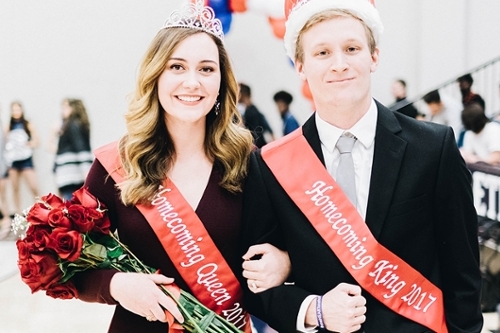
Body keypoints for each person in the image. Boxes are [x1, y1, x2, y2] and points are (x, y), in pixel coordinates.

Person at [240, 0, 483, 332]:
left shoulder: (433, 148)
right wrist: (315, 310)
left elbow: (463, 273)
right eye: (322, 53)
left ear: (374, 57)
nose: (339, 64)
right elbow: (255, 285)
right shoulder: (269, 165)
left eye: (351, 48)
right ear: (299, 66)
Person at [72, 1, 290, 332]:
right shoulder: (117, 164)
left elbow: (281, 248)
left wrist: (285, 263)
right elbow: (69, 262)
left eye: (206, 69)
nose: (192, 82)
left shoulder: (247, 161)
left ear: (221, 82)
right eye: (176, 67)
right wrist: (117, 286)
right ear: (155, 76)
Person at [49, 98, 93, 200]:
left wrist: (87, 172)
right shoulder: (71, 125)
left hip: (71, 175)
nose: (62, 110)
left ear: (74, 108)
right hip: (71, 174)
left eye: (65, 107)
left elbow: (81, 148)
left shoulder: (73, 125)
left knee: (71, 206)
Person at [5, 101, 39, 216]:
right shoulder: (8, 127)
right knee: (15, 188)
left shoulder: (27, 124)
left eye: (17, 109)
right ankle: (18, 213)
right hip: (14, 161)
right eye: (13, 110)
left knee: (33, 186)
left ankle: (39, 209)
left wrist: (28, 144)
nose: (15, 112)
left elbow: (36, 141)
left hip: (26, 160)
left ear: (22, 110)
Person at [238, 83, 275, 147]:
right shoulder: (254, 110)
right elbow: (268, 128)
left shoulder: (251, 113)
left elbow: (255, 134)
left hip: (257, 148)